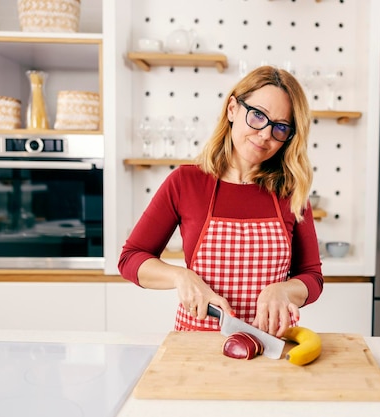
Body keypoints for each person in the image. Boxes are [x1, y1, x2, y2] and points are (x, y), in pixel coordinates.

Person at [118, 66, 323, 338]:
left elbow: (312, 277)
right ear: (232, 109)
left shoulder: (290, 190)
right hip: (198, 345)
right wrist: (182, 277)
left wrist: (285, 290)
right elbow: (131, 258)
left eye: (280, 127)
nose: (265, 134)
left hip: (270, 344)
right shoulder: (185, 182)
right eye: (258, 116)